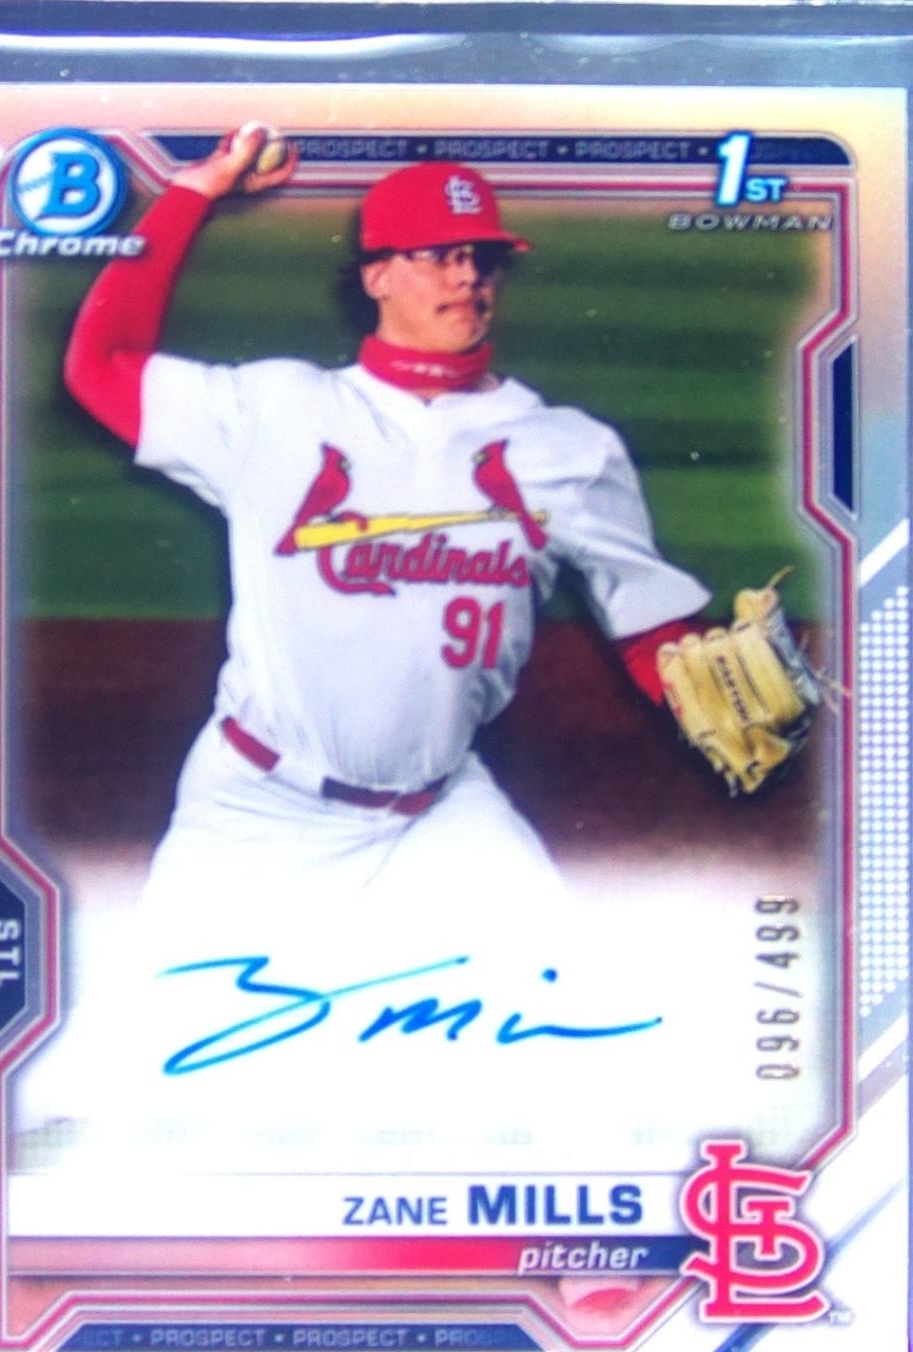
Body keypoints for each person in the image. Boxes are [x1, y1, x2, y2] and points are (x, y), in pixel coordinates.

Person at [64, 124, 712, 972]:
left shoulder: (568, 449)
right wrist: (195, 191)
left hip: (439, 816)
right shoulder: (276, 410)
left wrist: (706, 684)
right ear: (376, 276)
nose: (468, 276)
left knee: (576, 1002)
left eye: (483, 258)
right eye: (439, 256)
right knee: (161, 1033)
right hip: (259, 810)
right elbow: (100, 363)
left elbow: (651, 627)